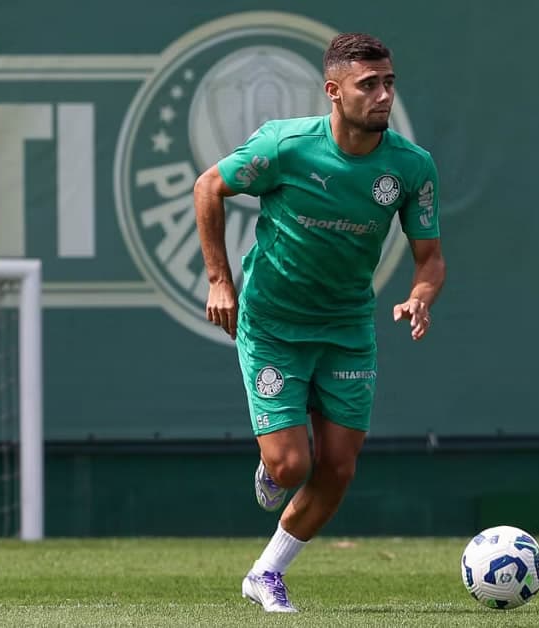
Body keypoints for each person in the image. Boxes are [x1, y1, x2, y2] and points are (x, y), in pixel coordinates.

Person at [192, 32, 446, 613]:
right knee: (290, 466)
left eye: (389, 84)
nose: (383, 95)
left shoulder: (411, 167)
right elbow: (210, 186)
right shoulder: (285, 146)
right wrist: (219, 279)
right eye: (368, 85)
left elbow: (430, 258)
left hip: (348, 329)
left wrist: (421, 295)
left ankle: (265, 573)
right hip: (275, 323)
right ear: (333, 92)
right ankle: (273, 465)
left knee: (337, 467)